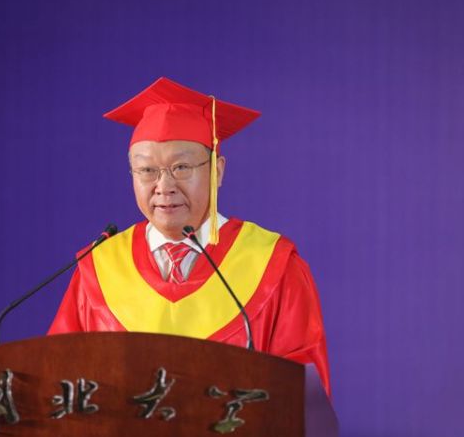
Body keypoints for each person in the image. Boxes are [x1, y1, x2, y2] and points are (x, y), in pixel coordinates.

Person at [48, 77, 330, 394]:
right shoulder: (99, 267)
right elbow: (59, 380)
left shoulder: (274, 265)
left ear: (217, 172)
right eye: (147, 170)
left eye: (181, 167)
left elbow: (302, 396)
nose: (164, 186)